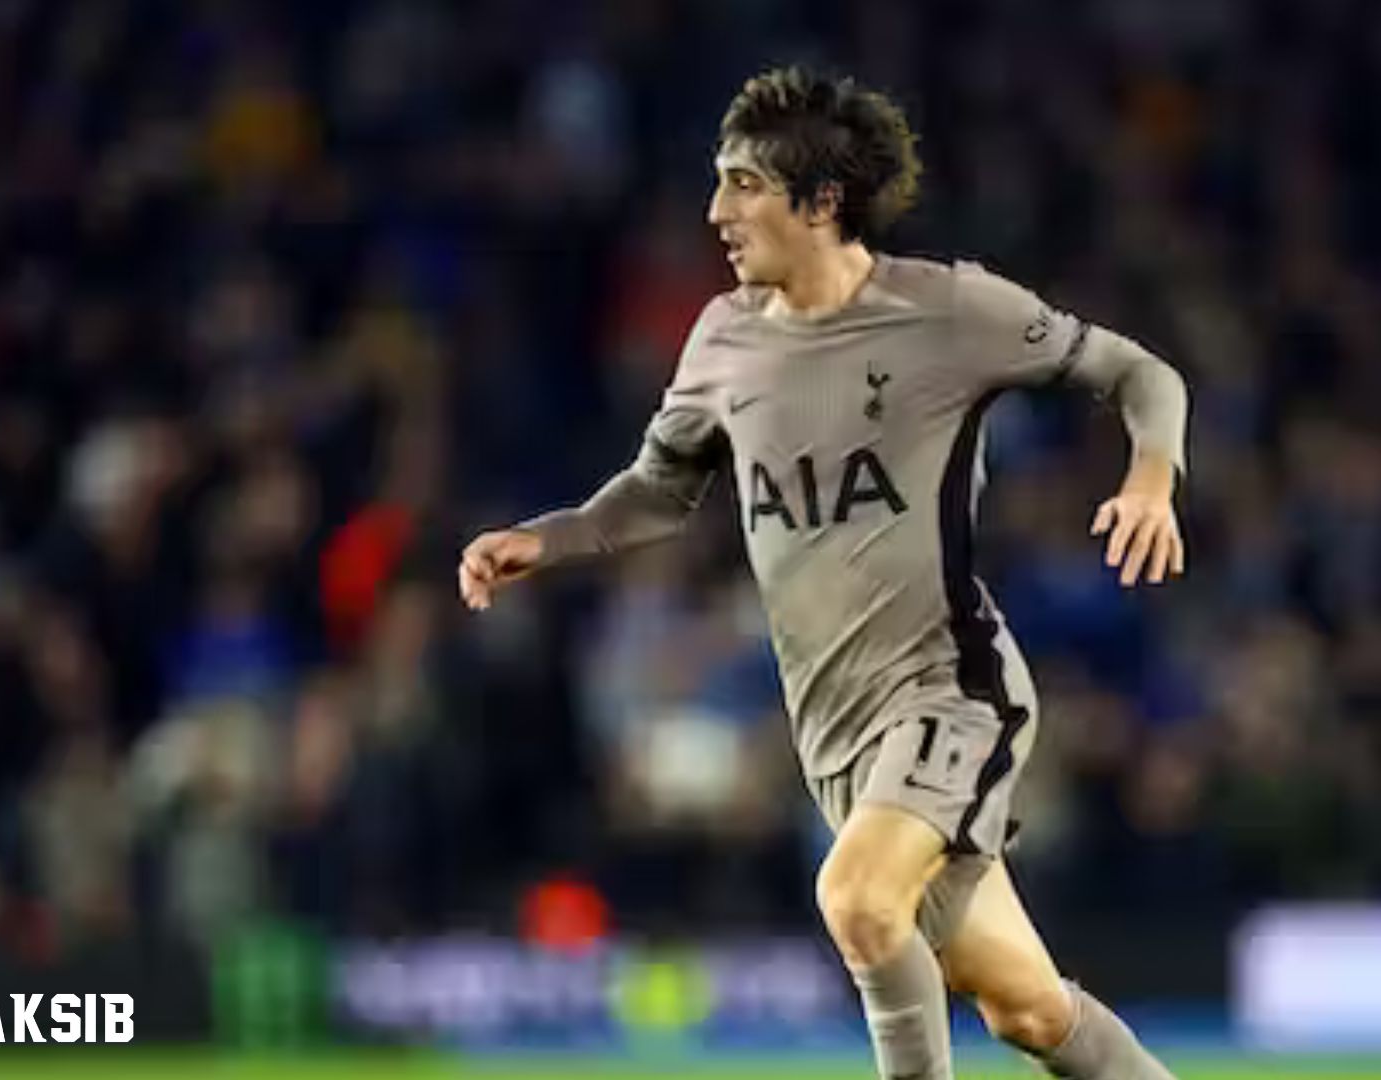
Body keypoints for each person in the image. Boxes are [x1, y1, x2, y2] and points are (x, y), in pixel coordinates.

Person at [458, 67, 1186, 1080]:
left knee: (855, 898)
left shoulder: (946, 310)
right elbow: (661, 492)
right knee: (1024, 1009)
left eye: (744, 184)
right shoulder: (724, 338)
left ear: (821, 201)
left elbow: (1139, 373)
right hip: (833, 733)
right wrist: (553, 537)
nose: (717, 213)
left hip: (949, 690)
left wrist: (1151, 477)